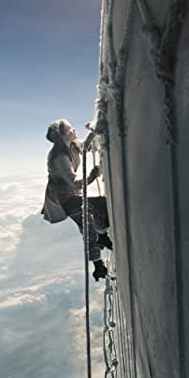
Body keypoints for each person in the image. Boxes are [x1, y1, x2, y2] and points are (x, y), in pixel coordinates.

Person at [41, 119, 113, 280]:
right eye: (70, 129)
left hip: (72, 194)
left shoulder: (72, 145)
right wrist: (93, 175)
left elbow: (88, 145)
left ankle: (99, 263)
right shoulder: (57, 157)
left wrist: (92, 131)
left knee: (87, 224)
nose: (74, 129)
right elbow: (75, 183)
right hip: (64, 199)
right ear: (64, 136)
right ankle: (102, 239)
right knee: (98, 207)